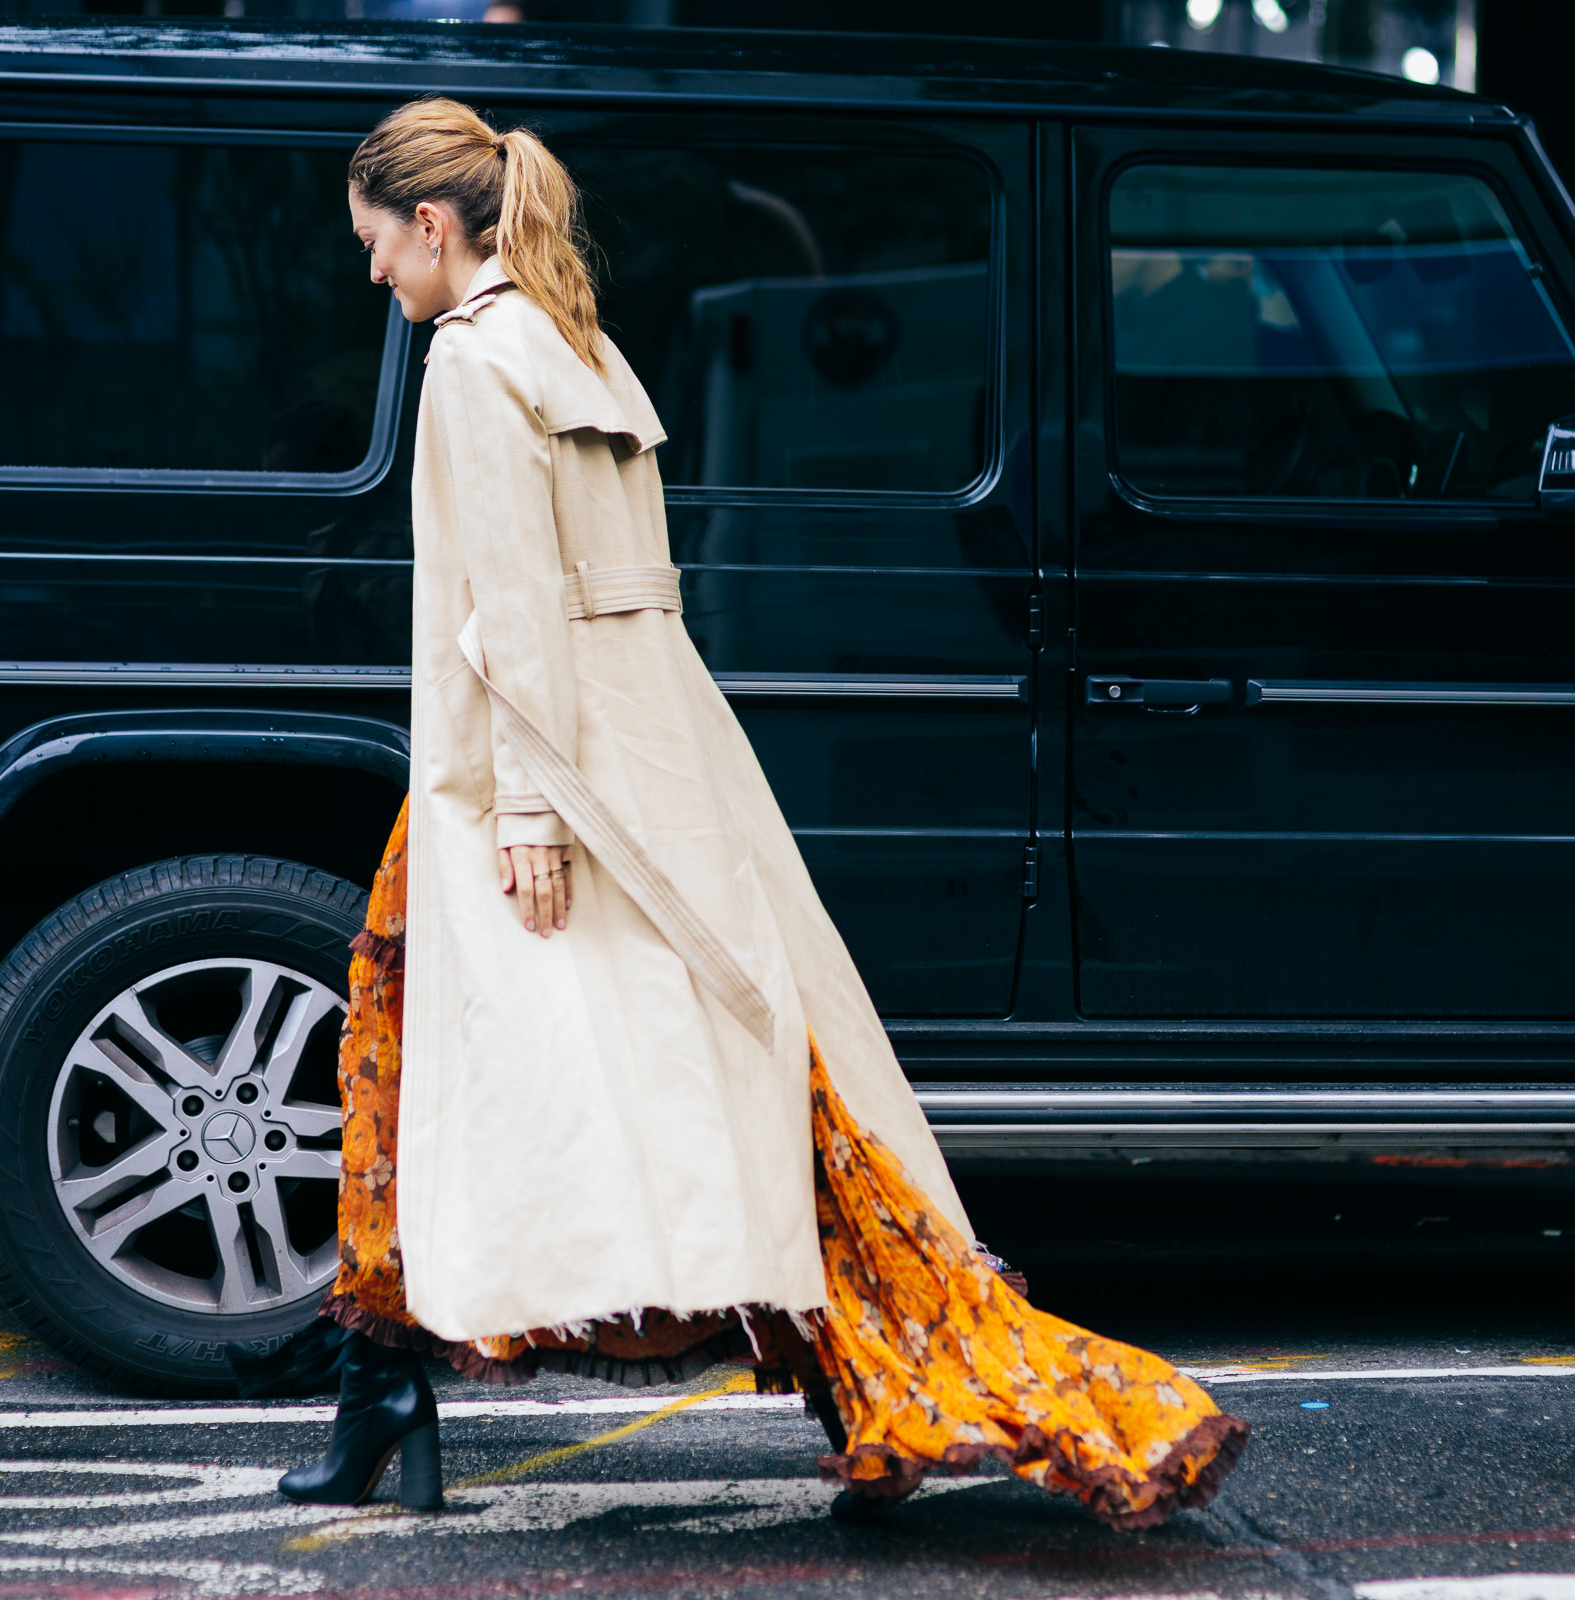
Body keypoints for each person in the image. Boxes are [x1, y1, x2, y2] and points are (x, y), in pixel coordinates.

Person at [258, 97, 1248, 1524]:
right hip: (663, 759)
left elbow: (510, 613)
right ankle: (877, 1400)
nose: (371, 277)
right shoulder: (576, 337)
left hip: (532, 774)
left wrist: (528, 816)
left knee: (412, 1080)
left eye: (374, 244)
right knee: (759, 1090)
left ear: (431, 222)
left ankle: (388, 1405)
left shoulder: (474, 366)